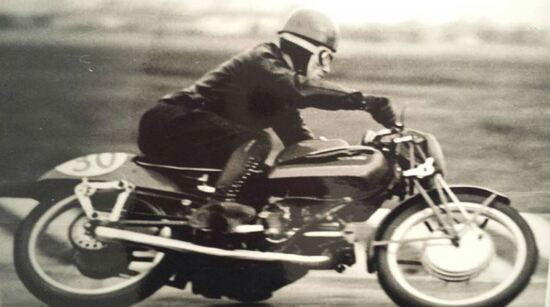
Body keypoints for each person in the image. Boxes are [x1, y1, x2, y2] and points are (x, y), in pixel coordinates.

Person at [137, 8, 397, 232]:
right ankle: (215, 210)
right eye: (325, 57)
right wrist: (365, 101)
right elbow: (300, 88)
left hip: (192, 135)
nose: (326, 68)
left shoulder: (278, 93)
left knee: (263, 183)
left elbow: (298, 141)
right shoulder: (264, 61)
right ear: (304, 49)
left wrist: (335, 161)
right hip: (170, 122)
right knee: (256, 140)